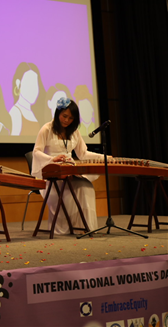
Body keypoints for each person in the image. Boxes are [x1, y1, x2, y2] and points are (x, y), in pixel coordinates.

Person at [31, 97, 104, 235]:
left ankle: (85, 228)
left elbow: (82, 153)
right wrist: (53, 159)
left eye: (71, 118)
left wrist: (103, 158)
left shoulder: (74, 131)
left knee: (86, 186)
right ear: (58, 113)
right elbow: (36, 151)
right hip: (51, 175)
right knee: (65, 189)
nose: (66, 120)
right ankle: (63, 229)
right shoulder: (47, 129)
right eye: (64, 116)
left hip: (70, 172)